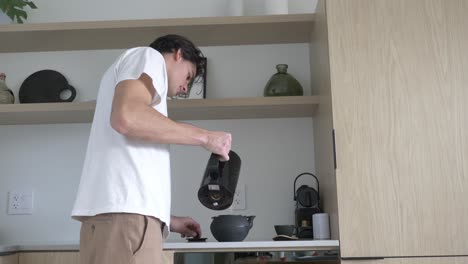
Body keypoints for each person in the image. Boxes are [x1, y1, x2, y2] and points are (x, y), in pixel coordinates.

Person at [71, 34, 232, 264]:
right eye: (188, 75)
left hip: (125, 221)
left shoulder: (144, 89)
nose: (185, 87)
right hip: (126, 223)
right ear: (177, 54)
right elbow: (127, 117)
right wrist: (205, 137)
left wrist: (168, 219)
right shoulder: (148, 56)